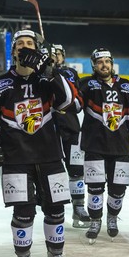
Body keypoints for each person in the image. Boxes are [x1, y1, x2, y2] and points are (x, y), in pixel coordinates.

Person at [0, 29, 78, 257]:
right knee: (23, 212)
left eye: (29, 43)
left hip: (50, 156)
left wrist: (51, 72)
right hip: (15, 159)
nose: (24, 46)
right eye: (20, 43)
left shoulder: (47, 80)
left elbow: (70, 103)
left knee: (55, 210)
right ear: (14, 51)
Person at [79, 48, 129, 244]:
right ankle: (95, 220)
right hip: (94, 145)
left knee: (118, 189)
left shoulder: (127, 86)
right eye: (100, 61)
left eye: (107, 61)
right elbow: (73, 104)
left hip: (119, 147)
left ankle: (112, 217)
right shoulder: (86, 84)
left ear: (112, 63)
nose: (104, 65)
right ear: (93, 65)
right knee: (94, 188)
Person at [51, 44, 90, 228]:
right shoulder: (40, 73)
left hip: (71, 127)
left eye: (57, 54)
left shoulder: (70, 73)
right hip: (49, 131)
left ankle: (78, 208)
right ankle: (56, 209)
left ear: (63, 56)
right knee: (54, 172)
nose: (55, 57)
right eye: (51, 54)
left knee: (76, 169)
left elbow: (77, 103)